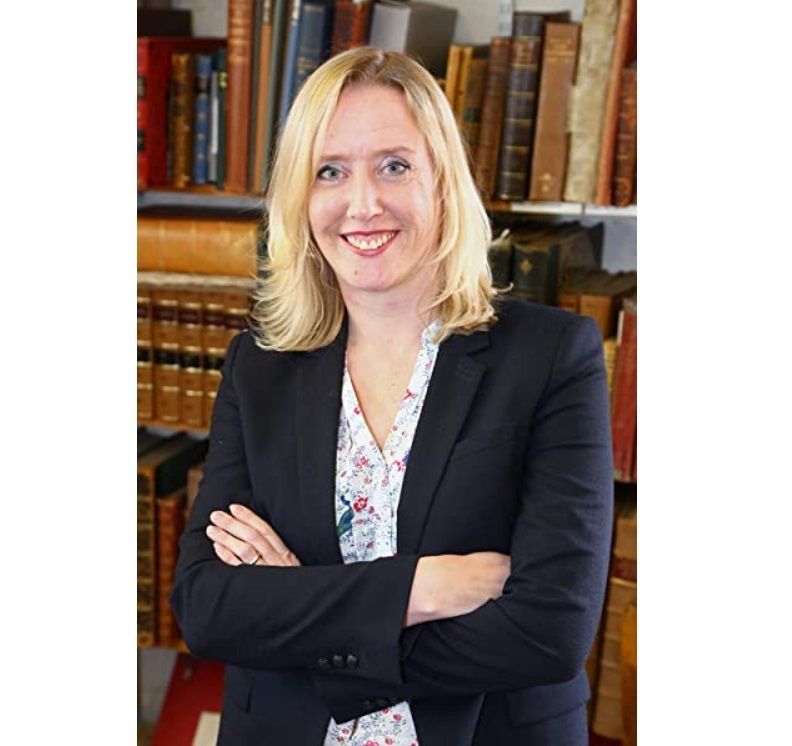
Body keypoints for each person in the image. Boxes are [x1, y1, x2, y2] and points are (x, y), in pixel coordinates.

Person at [171, 46, 613, 746]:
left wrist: (299, 611)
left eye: (394, 166)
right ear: (300, 198)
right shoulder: (261, 367)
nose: (363, 204)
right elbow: (207, 606)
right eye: (330, 171)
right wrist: (420, 589)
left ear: (443, 182)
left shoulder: (552, 356)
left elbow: (548, 631)